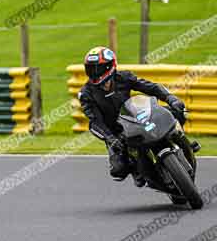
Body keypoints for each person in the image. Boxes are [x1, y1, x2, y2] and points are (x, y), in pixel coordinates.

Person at [77, 46, 187, 185]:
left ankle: (183, 141)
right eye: (91, 69)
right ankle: (139, 171)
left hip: (136, 117)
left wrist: (170, 98)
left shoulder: (123, 77)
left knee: (177, 111)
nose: (94, 73)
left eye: (98, 68)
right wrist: (111, 140)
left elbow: (150, 87)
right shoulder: (86, 93)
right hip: (115, 132)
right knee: (118, 169)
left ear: (110, 66)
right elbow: (95, 122)